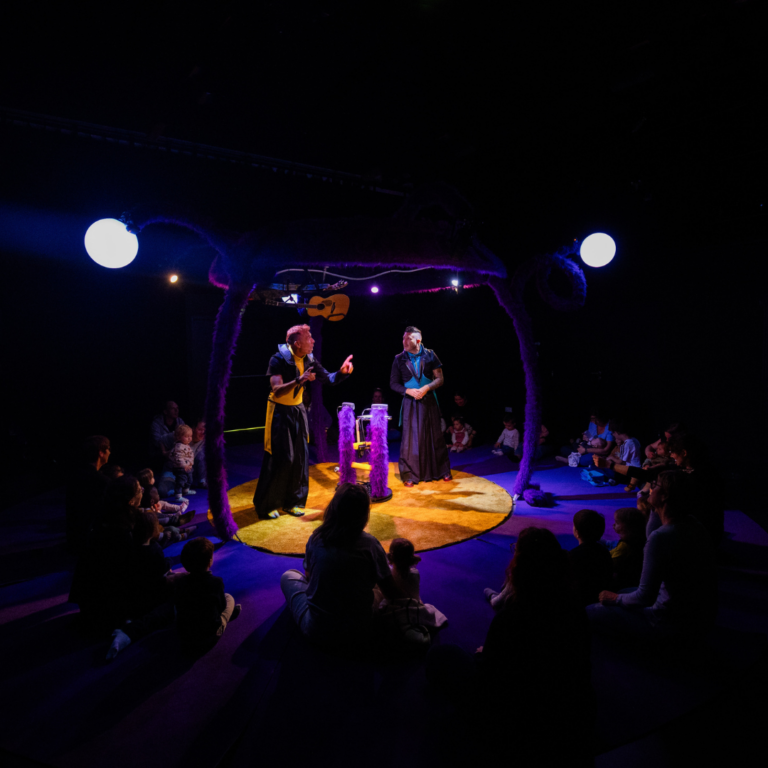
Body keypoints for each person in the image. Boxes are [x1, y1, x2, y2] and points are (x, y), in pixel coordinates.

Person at [587, 470, 718, 645]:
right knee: (624, 591)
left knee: (590, 611)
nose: (650, 488)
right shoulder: (694, 524)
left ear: (665, 496)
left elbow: (645, 597)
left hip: (667, 624)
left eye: (655, 485)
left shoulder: (662, 537)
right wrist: (656, 508)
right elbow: (651, 534)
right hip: (698, 618)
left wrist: (615, 599)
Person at [254, 323, 353, 519]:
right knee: (282, 458)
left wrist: (342, 373)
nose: (313, 341)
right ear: (297, 343)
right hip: (280, 411)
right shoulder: (278, 359)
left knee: (300, 457)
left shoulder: (309, 358)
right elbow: (277, 390)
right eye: (309, 338)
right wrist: (300, 379)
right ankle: (268, 505)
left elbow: (328, 378)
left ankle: (293, 502)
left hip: (298, 410)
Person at [280, 483, 396, 650]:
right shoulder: (370, 544)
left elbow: (309, 577)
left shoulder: (317, 538)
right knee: (379, 584)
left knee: (288, 576)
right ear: (364, 513)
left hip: (317, 631)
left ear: (333, 508)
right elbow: (391, 591)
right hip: (361, 632)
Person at [390, 326, 451, 487]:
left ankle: (442, 470)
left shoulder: (430, 355)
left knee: (435, 435)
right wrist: (408, 391)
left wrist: (426, 388)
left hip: (429, 400)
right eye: (403, 338)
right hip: (410, 402)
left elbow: (440, 379)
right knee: (411, 439)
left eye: (408, 338)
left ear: (418, 340)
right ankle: (409, 474)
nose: (404, 341)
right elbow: (393, 383)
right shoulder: (399, 359)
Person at [174, 537, 242, 654]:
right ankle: (227, 618)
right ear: (210, 561)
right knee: (229, 598)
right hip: (208, 636)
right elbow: (221, 607)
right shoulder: (216, 582)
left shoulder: (180, 582)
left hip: (185, 635)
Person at [375, 538, 447, 642]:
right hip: (412, 605)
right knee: (428, 610)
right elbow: (415, 596)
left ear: (391, 556)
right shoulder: (414, 574)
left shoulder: (388, 573)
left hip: (391, 606)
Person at [65, 435, 112, 551]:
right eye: (108, 449)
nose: (110, 452)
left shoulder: (75, 477)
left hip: (74, 537)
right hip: (94, 540)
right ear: (101, 453)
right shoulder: (101, 481)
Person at [568, 509, 613, 606]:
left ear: (577, 532)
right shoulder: (605, 552)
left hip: (582, 604)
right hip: (601, 601)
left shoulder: (572, 556)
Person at [609, 507, 647, 589]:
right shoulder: (639, 539)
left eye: (617, 522)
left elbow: (610, 564)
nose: (613, 525)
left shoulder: (625, 545)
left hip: (625, 583)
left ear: (627, 527)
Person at [168, 424, 196, 502]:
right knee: (180, 481)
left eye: (190, 436)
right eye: (187, 436)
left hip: (188, 467)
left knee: (189, 479)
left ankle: (185, 490)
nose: (189, 438)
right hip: (181, 468)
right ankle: (178, 496)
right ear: (179, 437)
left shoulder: (186, 445)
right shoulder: (179, 446)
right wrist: (184, 465)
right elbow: (178, 458)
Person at [188, 418, 207, 488]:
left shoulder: (205, 441)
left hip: (194, 470)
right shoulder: (184, 437)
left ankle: (202, 481)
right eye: (200, 430)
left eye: (204, 430)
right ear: (193, 429)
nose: (202, 432)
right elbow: (163, 439)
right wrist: (165, 452)